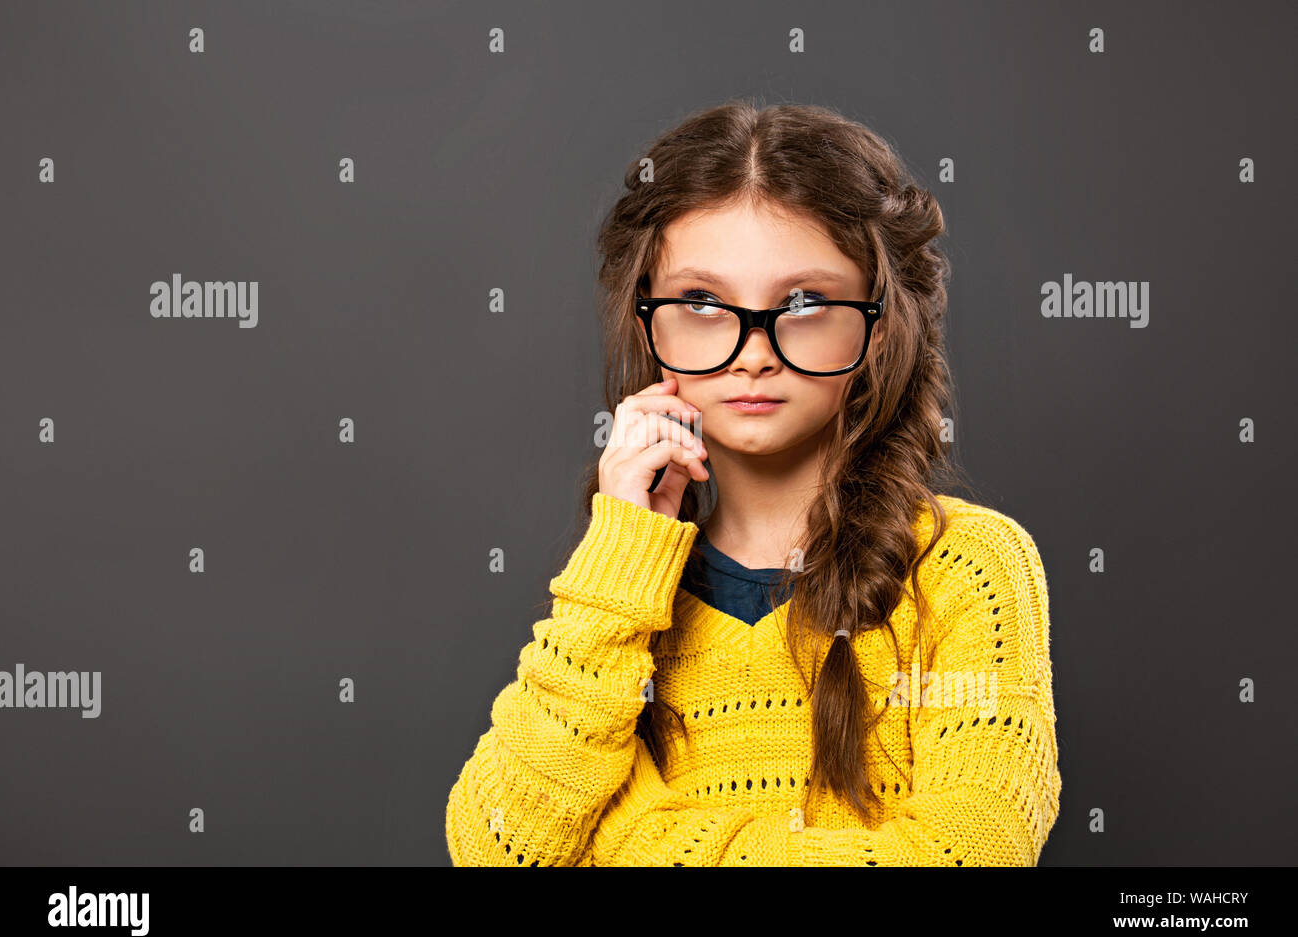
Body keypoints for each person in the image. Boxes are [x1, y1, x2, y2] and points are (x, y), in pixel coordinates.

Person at [444, 98, 1061, 866]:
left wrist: (628, 840)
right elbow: (500, 849)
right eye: (702, 302)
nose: (752, 352)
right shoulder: (623, 597)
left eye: (802, 303)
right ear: (649, 325)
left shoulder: (967, 569)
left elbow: (970, 851)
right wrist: (620, 552)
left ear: (879, 322)